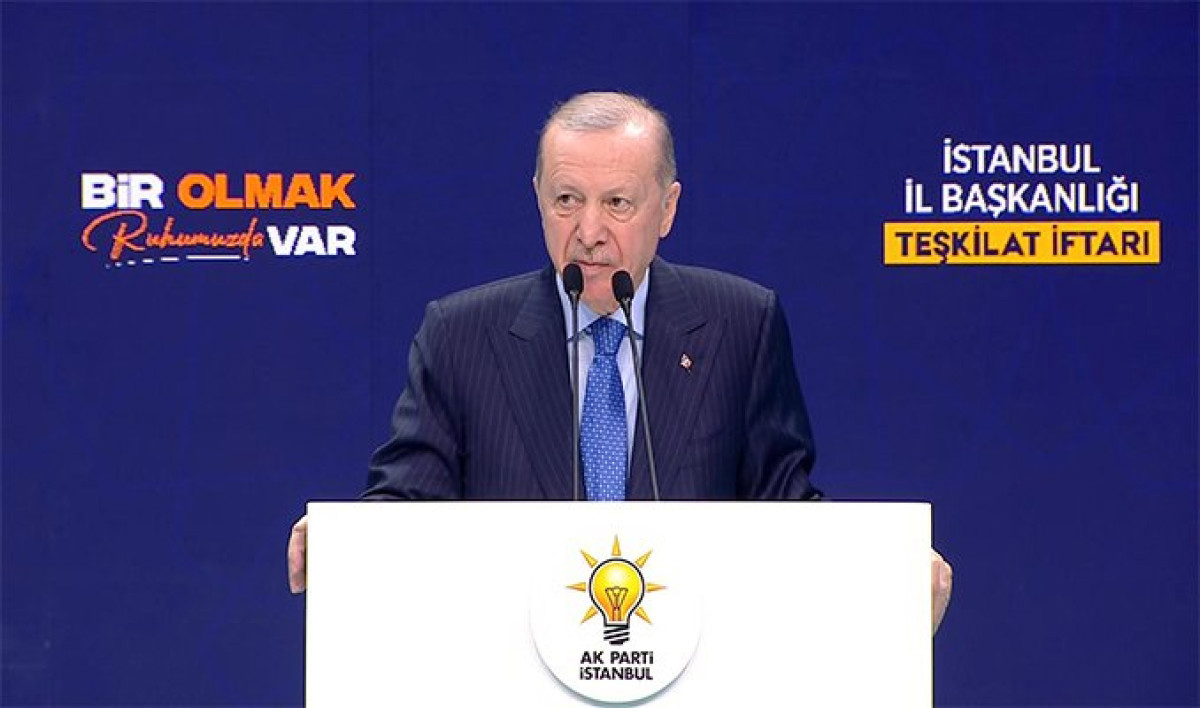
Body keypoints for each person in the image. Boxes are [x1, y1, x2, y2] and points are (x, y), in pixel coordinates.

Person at [287, 91, 953, 633]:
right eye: (566, 200)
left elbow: (783, 509)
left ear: (667, 209)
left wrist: (877, 572)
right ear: (538, 200)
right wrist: (348, 545)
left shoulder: (740, 325)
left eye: (617, 203)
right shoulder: (461, 335)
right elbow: (408, 502)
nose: (589, 232)